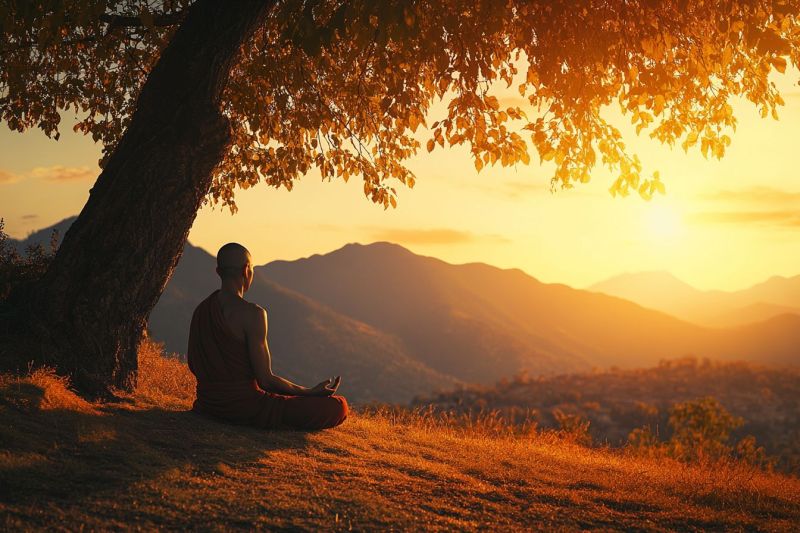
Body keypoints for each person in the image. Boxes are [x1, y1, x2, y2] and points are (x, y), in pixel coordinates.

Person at [187, 242, 348, 430]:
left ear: (218, 272)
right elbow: (265, 380)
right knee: (338, 406)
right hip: (247, 409)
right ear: (247, 270)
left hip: (208, 405)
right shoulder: (253, 314)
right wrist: (309, 392)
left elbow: (193, 363)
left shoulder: (201, 310)